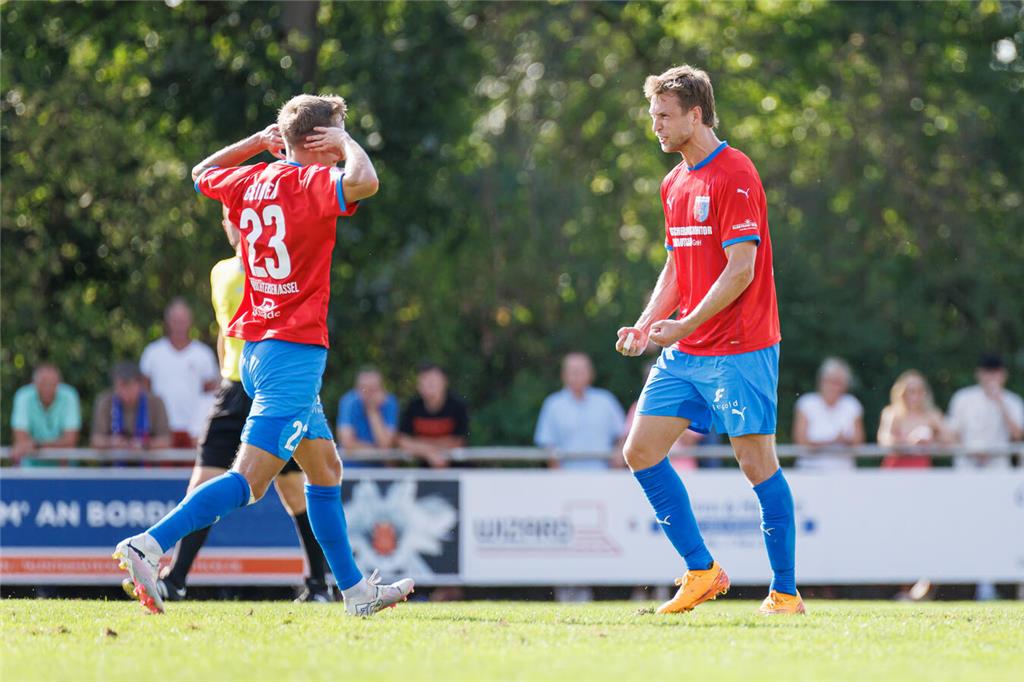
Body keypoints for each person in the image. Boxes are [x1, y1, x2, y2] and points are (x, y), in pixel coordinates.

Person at [113, 93, 413, 616]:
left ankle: (356, 592)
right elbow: (366, 181)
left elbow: (201, 171)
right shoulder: (309, 181)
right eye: (336, 131)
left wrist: (256, 143)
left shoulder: (253, 178)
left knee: (325, 469)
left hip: (256, 352)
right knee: (247, 484)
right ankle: (148, 545)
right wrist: (348, 145)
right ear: (319, 141)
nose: (341, 139)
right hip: (292, 355)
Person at [616, 65, 803, 615]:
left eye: (664, 116)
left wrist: (687, 323)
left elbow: (740, 269)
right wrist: (649, 323)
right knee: (640, 450)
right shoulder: (673, 183)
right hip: (687, 349)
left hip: (741, 347)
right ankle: (702, 570)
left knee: (755, 463)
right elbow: (678, 264)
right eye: (653, 116)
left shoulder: (735, 171)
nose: (656, 126)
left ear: (695, 115)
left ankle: (786, 592)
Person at [144, 207, 334, 605]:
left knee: (295, 490)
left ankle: (320, 584)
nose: (237, 224)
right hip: (233, 389)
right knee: (202, 484)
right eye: (232, 218)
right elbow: (224, 330)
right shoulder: (220, 272)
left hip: (275, 387)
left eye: (244, 217)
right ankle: (175, 579)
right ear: (227, 225)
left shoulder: (276, 266)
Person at [140, 299, 220, 447]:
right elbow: (144, 391)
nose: (179, 326)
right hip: (161, 431)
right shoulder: (152, 352)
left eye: (183, 321)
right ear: (168, 322)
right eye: (175, 321)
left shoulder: (203, 354)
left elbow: (210, 394)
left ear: (190, 322)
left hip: (195, 431)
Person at [534, 352, 626, 470]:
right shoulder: (553, 404)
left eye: (581, 371)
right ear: (563, 374)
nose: (577, 375)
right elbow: (547, 445)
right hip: (566, 478)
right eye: (573, 371)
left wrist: (617, 459)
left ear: (591, 373)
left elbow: (623, 435)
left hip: (604, 477)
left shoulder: (606, 401)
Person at [947, 354, 1023, 469]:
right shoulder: (962, 398)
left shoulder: (1013, 401)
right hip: (966, 466)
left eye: (995, 372)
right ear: (978, 374)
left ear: (1004, 375)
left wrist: (1001, 403)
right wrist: (970, 451)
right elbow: (952, 433)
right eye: (987, 372)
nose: (991, 377)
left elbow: (1017, 435)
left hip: (999, 467)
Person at [792, 357, 865, 471]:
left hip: (844, 471)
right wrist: (833, 441)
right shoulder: (806, 403)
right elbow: (801, 441)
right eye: (830, 381)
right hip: (809, 470)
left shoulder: (852, 404)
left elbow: (858, 442)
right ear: (821, 381)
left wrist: (841, 441)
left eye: (838, 382)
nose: (833, 386)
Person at [877, 369, 954, 469]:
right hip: (895, 468)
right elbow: (884, 439)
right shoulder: (892, 413)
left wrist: (933, 439)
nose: (916, 396)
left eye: (920, 391)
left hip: (921, 468)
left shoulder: (932, 415)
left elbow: (950, 439)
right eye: (912, 391)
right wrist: (909, 441)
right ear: (902, 393)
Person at [397, 363, 469, 468]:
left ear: (444, 382)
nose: (429, 385)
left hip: (457, 472)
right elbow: (402, 440)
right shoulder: (413, 406)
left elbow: (459, 441)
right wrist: (429, 453)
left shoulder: (458, 405)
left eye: (433, 381)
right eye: (424, 381)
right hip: (425, 471)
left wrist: (419, 446)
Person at [91, 361, 172, 453]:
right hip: (113, 463)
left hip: (148, 463)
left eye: (129, 386)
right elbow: (96, 440)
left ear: (140, 384)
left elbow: (165, 441)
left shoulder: (156, 403)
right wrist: (112, 442)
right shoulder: (105, 402)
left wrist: (144, 444)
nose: (125, 392)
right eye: (121, 387)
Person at [9, 363, 81, 463]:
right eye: (43, 383)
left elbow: (70, 441)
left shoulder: (69, 395)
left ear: (58, 383)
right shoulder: (23, 396)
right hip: (30, 468)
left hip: (63, 469)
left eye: (52, 383)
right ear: (33, 383)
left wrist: (36, 445)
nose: (48, 387)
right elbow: (21, 441)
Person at [336, 366, 399, 466]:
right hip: (350, 468)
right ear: (356, 389)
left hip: (380, 471)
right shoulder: (349, 401)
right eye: (363, 388)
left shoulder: (389, 403)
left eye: (373, 389)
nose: (368, 394)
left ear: (382, 389)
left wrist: (373, 411)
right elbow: (347, 443)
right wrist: (377, 449)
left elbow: (386, 445)